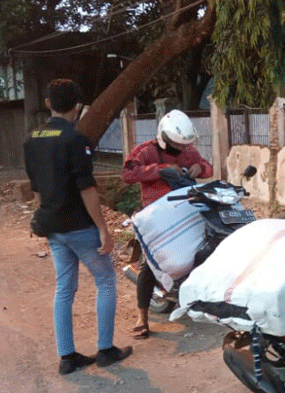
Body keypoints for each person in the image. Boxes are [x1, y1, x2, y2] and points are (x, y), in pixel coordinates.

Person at [23, 79, 132, 375]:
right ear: (79, 106)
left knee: (64, 288)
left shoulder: (32, 139)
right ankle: (106, 350)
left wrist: (42, 216)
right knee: (106, 281)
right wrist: (103, 229)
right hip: (80, 226)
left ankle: (67, 357)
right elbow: (87, 189)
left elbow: (36, 189)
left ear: (48, 103)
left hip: (53, 227)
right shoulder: (76, 139)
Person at [121, 109, 213, 339]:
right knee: (149, 266)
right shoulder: (146, 151)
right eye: (176, 146)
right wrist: (160, 170)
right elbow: (128, 174)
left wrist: (199, 169)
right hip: (156, 213)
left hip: (185, 209)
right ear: (164, 138)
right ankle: (141, 318)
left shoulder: (187, 150)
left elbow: (207, 166)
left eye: (184, 146)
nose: (181, 150)